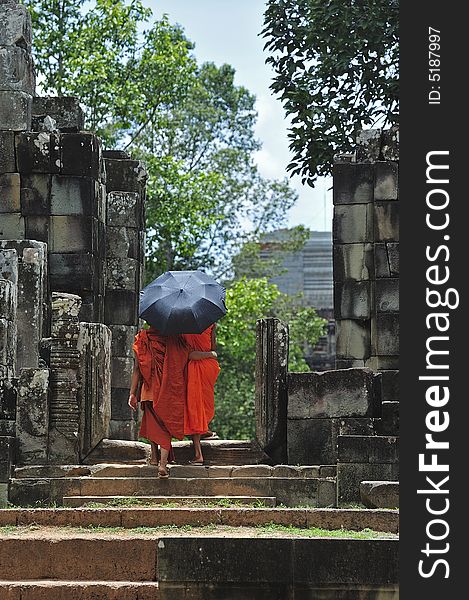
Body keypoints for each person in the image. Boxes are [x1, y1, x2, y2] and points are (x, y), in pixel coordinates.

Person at [128, 326, 189, 478]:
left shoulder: (142, 338)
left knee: (152, 424)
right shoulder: (173, 338)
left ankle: (155, 459)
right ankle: (162, 464)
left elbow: (137, 368)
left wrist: (132, 393)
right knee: (165, 426)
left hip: (148, 390)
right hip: (168, 390)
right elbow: (183, 359)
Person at [183, 324, 220, 465]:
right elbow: (213, 349)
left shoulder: (182, 326)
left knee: (196, 407)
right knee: (200, 406)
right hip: (207, 365)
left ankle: (198, 454)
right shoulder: (210, 322)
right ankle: (200, 445)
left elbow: (189, 354)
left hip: (197, 368)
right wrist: (209, 355)